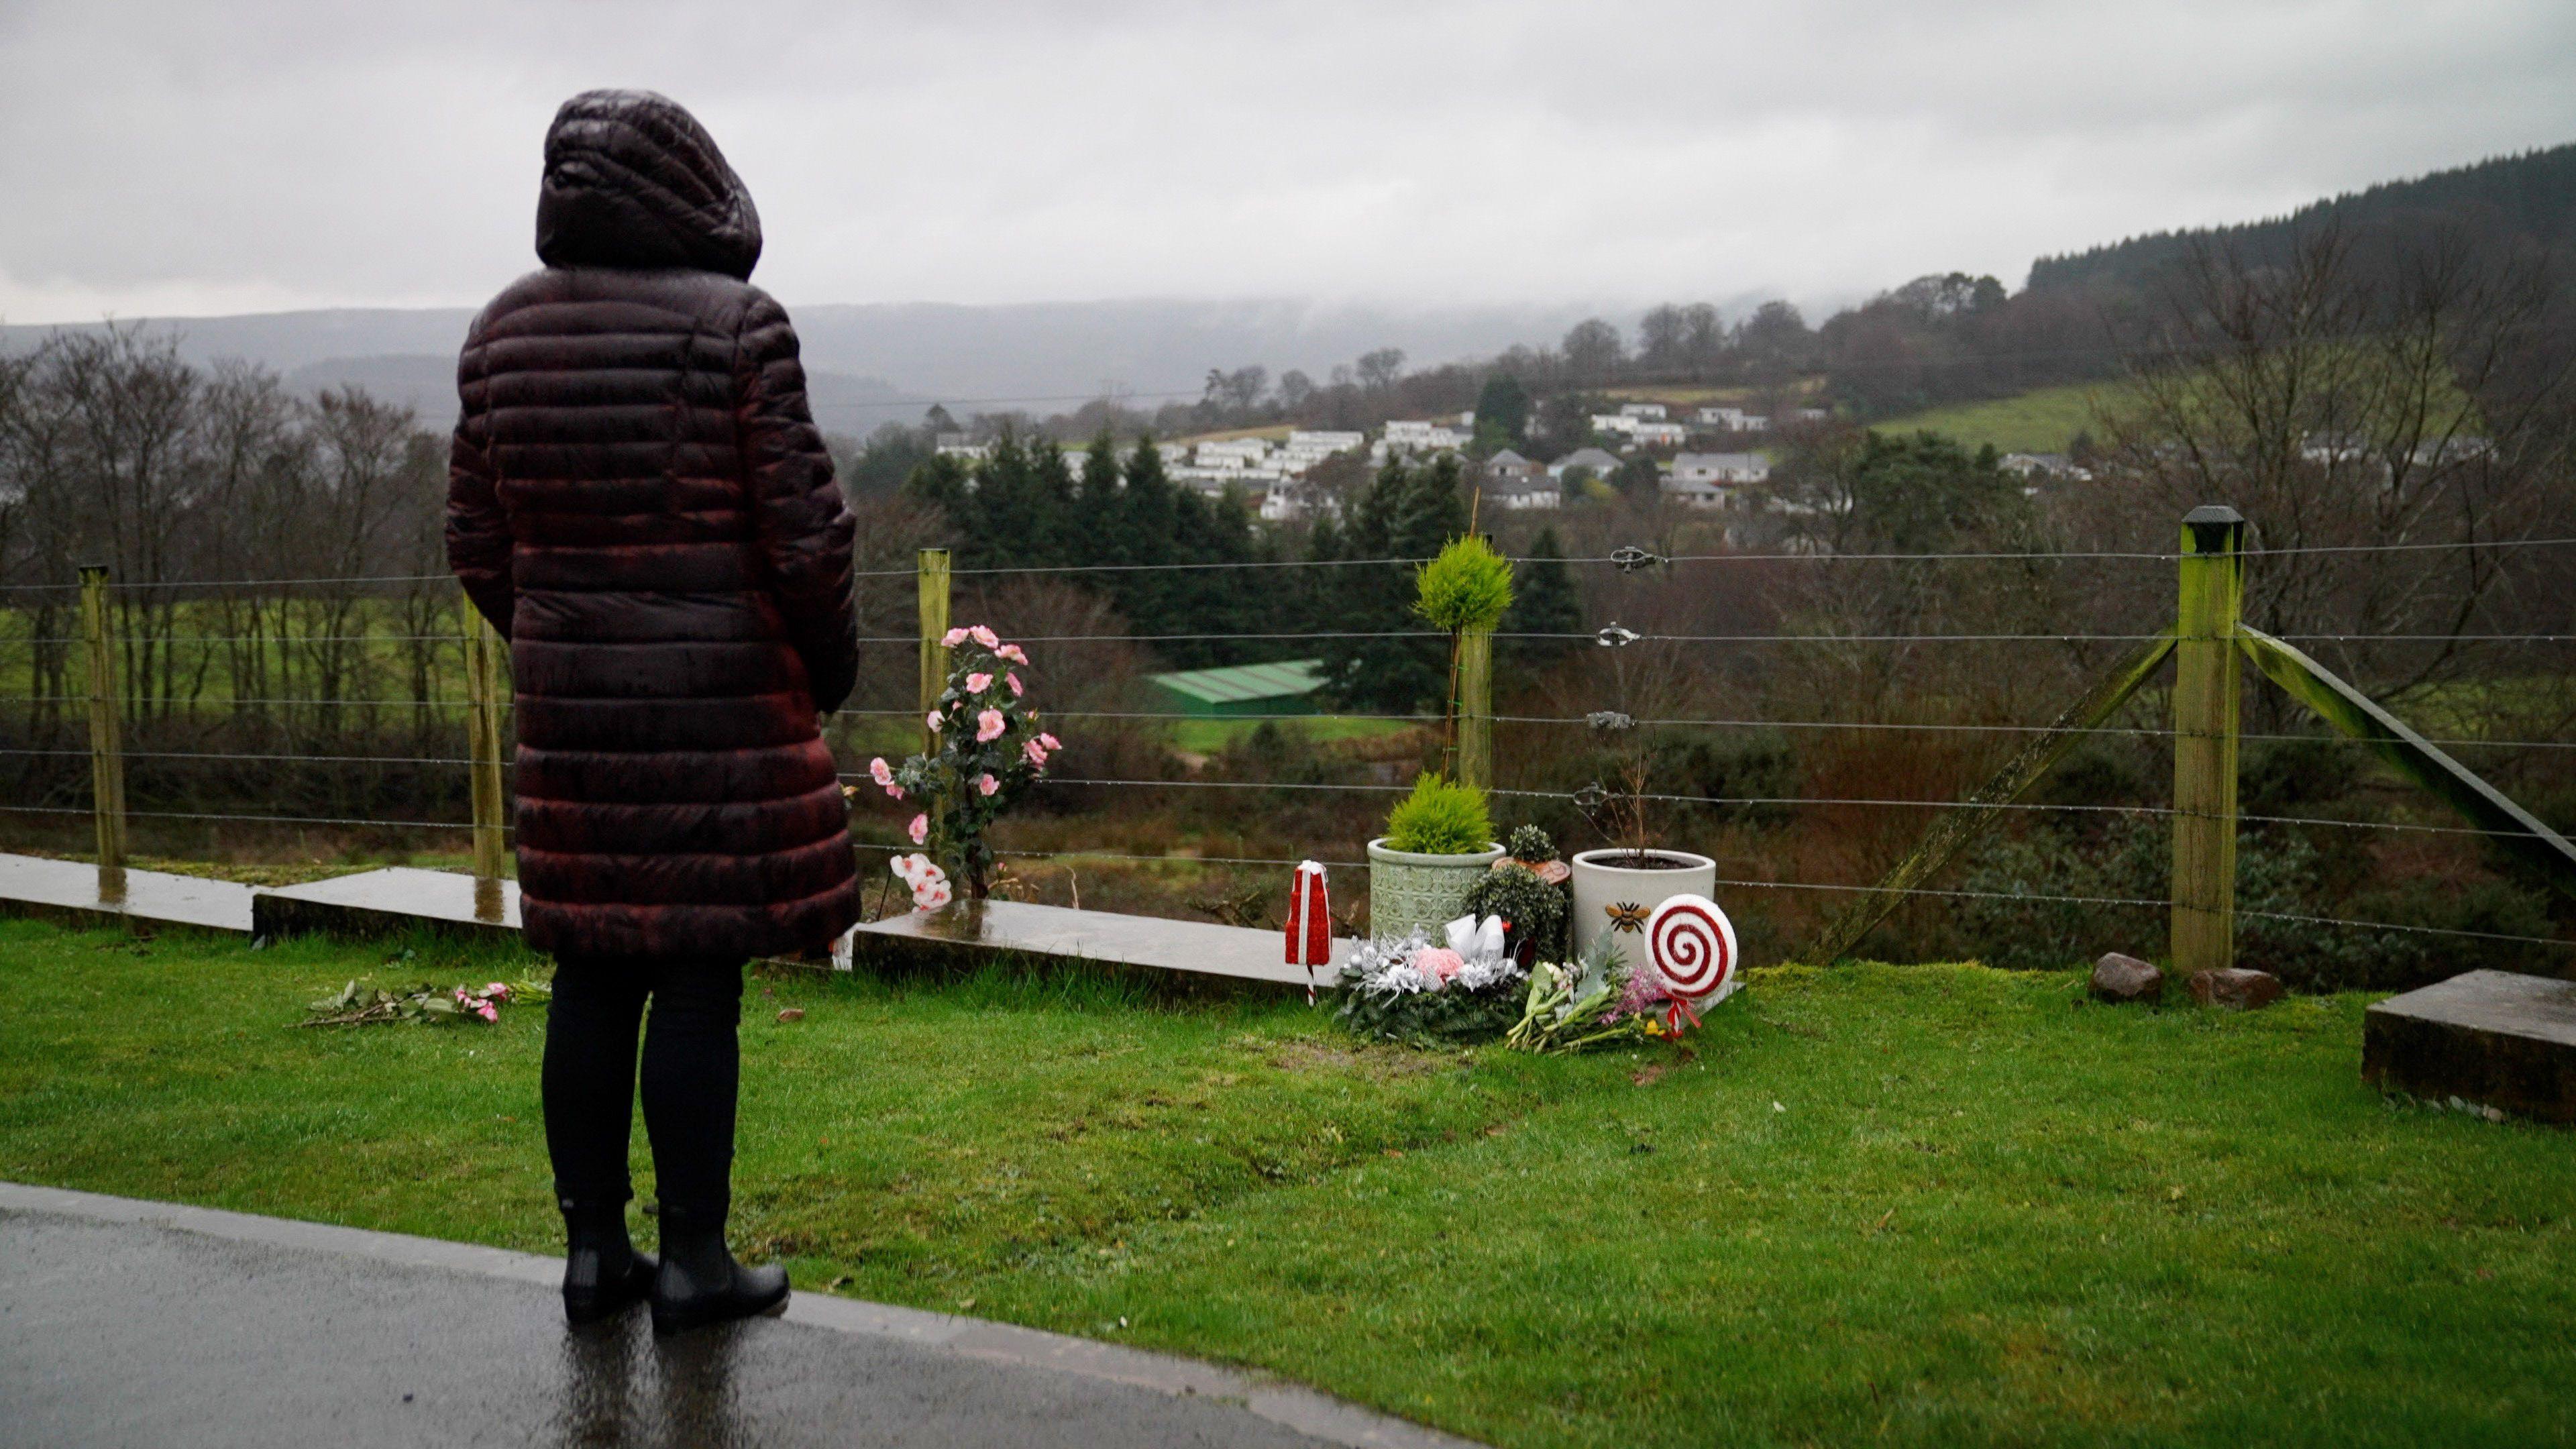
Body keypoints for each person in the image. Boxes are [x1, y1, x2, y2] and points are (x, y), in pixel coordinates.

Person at [447, 89, 861, 1334]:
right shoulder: (741, 328)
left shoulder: (499, 334)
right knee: (694, 978)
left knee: (591, 972)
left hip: (576, 714)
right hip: (720, 706)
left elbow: (477, 537)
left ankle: (592, 1256)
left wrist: (562, 640)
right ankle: (693, 1262)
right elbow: (808, 542)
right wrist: (815, 671)